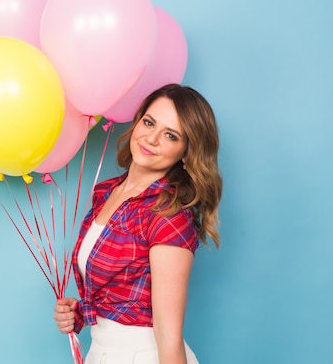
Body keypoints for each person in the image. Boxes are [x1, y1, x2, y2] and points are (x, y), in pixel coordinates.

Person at [53, 83, 222, 364]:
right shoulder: (106, 192)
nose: (152, 139)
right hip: (102, 354)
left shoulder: (168, 215)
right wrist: (79, 311)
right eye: (149, 122)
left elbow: (168, 336)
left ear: (185, 152)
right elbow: (123, 292)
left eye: (170, 135)